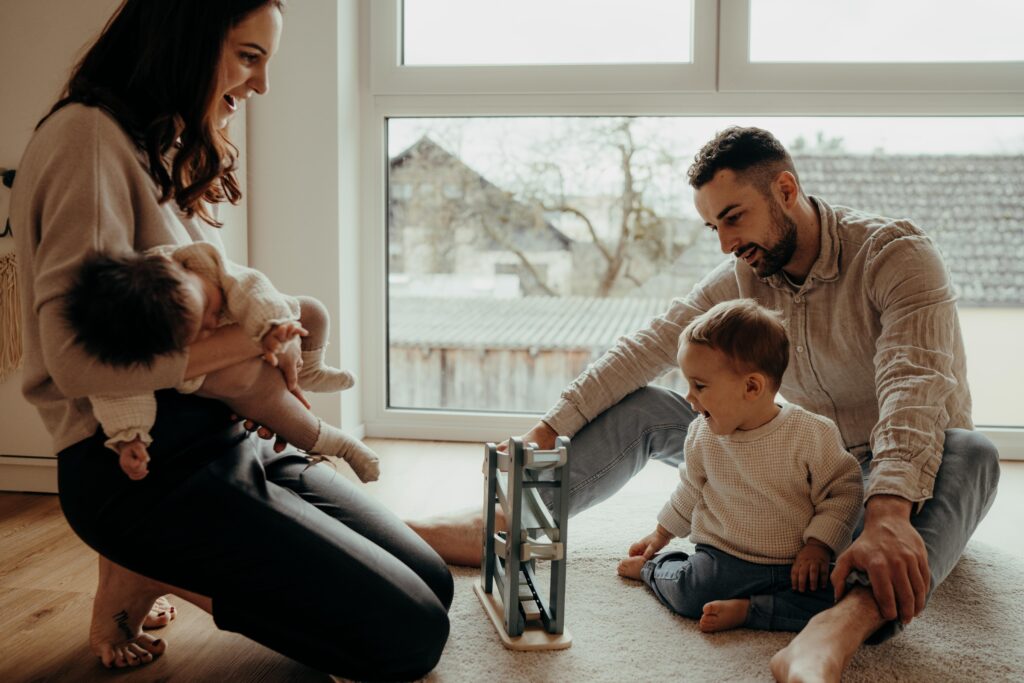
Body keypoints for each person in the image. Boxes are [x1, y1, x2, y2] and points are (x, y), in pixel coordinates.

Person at [414, 127, 1000, 682]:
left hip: (884, 480)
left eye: (733, 217)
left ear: (786, 190)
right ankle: (514, 519)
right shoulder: (744, 271)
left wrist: (889, 515)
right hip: (780, 451)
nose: (725, 242)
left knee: (972, 451)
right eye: (711, 227)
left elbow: (913, 386)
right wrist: (545, 432)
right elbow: (645, 347)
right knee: (647, 403)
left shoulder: (895, 255)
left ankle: (842, 623)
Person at [10, 1, 451, 678]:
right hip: (138, 470)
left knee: (434, 583)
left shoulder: (157, 144)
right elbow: (76, 360)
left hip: (224, 436)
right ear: (179, 40)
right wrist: (248, 348)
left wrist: (259, 356)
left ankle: (158, 565)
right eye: (249, 57)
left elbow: (206, 310)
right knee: (411, 637)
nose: (260, 85)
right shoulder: (87, 140)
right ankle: (142, 569)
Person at [616, 299, 863, 634]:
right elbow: (690, 489)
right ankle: (653, 570)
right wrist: (661, 535)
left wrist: (819, 545)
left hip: (799, 565)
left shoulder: (810, 433)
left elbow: (843, 492)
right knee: (692, 594)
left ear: (751, 387)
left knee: (850, 602)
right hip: (724, 561)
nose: (689, 396)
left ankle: (751, 612)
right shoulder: (701, 434)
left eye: (700, 386)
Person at [63, 243, 380, 483]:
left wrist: (273, 324)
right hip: (234, 383)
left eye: (210, 308)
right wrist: (129, 436)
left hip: (260, 323)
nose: (213, 325)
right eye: (200, 331)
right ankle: (344, 446)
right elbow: (120, 391)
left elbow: (252, 286)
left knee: (312, 310)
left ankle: (310, 369)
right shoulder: (138, 340)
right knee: (283, 413)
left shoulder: (201, 262)